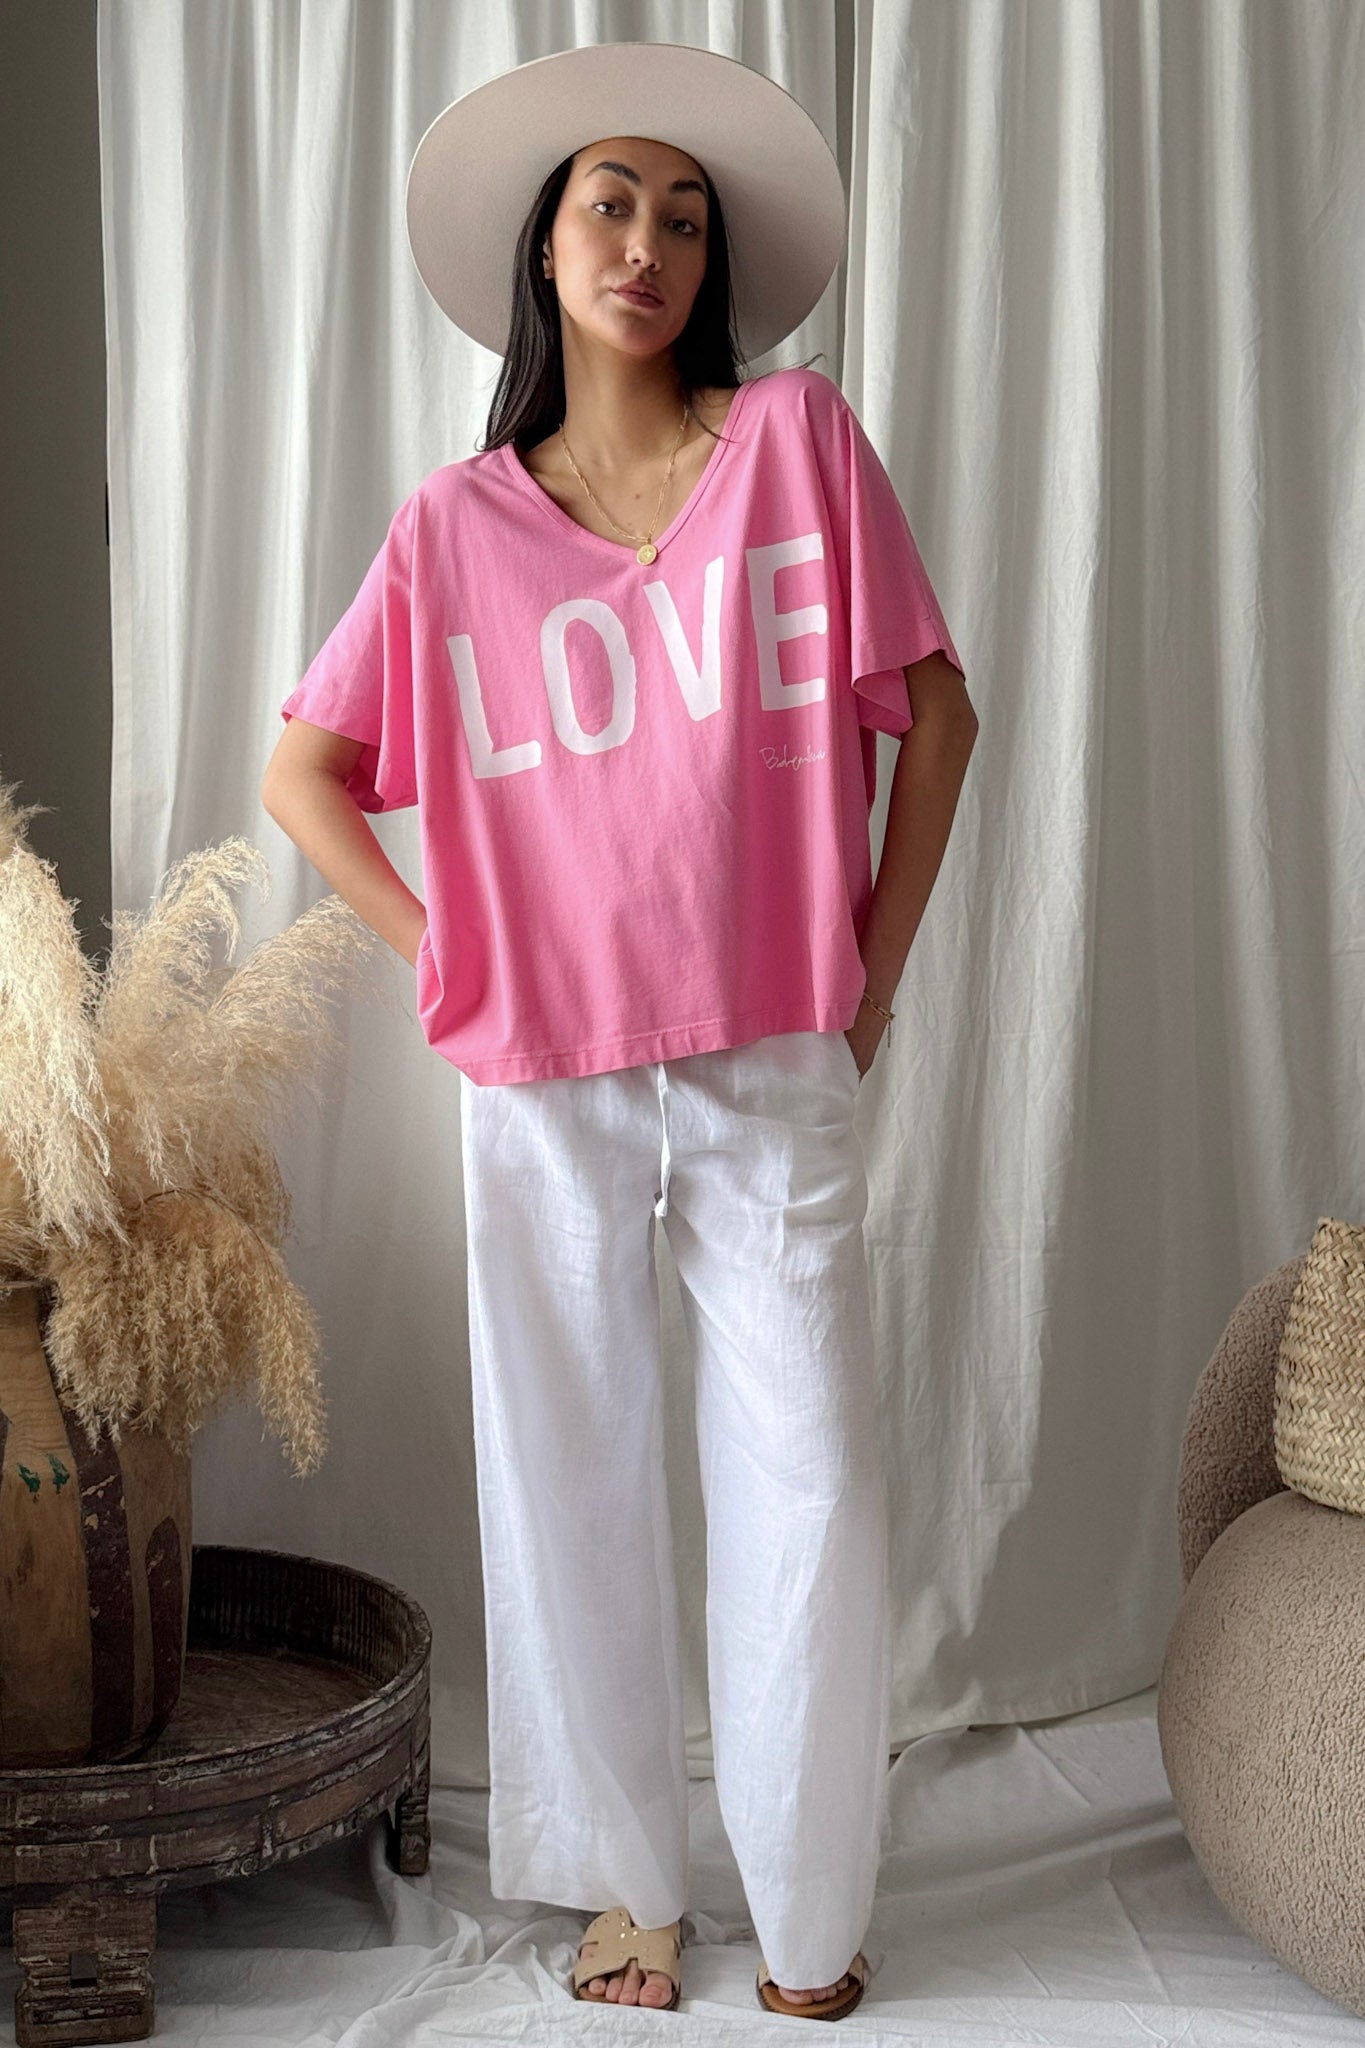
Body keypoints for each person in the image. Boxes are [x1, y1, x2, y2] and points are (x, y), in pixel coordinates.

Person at [260, 39, 978, 2024]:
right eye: (608, 205)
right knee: (564, 1478)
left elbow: (938, 717)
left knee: (808, 1477)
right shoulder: (453, 528)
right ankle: (626, 1894)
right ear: (545, 246)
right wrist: (448, 957)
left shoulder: (797, 446)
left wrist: (868, 978)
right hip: (542, 1075)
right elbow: (304, 771)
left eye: (681, 217)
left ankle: (811, 1910)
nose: (646, 244)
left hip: (770, 1050)